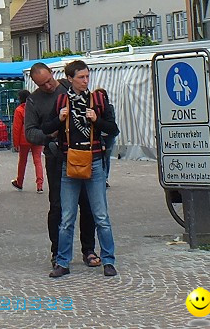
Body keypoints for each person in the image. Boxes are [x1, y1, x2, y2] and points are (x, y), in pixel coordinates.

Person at [25, 61, 99, 274]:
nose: (48, 86)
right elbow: (30, 132)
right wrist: (50, 135)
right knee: (58, 206)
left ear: (52, 73)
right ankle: (57, 251)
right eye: (42, 85)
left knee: (86, 203)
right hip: (56, 157)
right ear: (35, 83)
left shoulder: (70, 88)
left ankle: (88, 249)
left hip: (81, 154)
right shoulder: (33, 101)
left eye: (48, 81)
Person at [47, 59, 119, 278]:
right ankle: (62, 262)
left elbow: (113, 129)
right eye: (81, 77)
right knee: (67, 217)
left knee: (101, 216)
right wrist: (59, 120)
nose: (86, 81)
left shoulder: (97, 99)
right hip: (70, 162)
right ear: (70, 79)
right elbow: (46, 128)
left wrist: (97, 120)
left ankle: (108, 260)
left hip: (94, 161)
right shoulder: (61, 100)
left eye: (87, 76)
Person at [12, 89, 44, 192]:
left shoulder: (19, 110)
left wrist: (16, 143)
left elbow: (17, 128)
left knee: (22, 161)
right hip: (37, 136)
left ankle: (19, 182)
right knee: (37, 160)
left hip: (24, 138)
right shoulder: (37, 108)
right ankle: (40, 185)